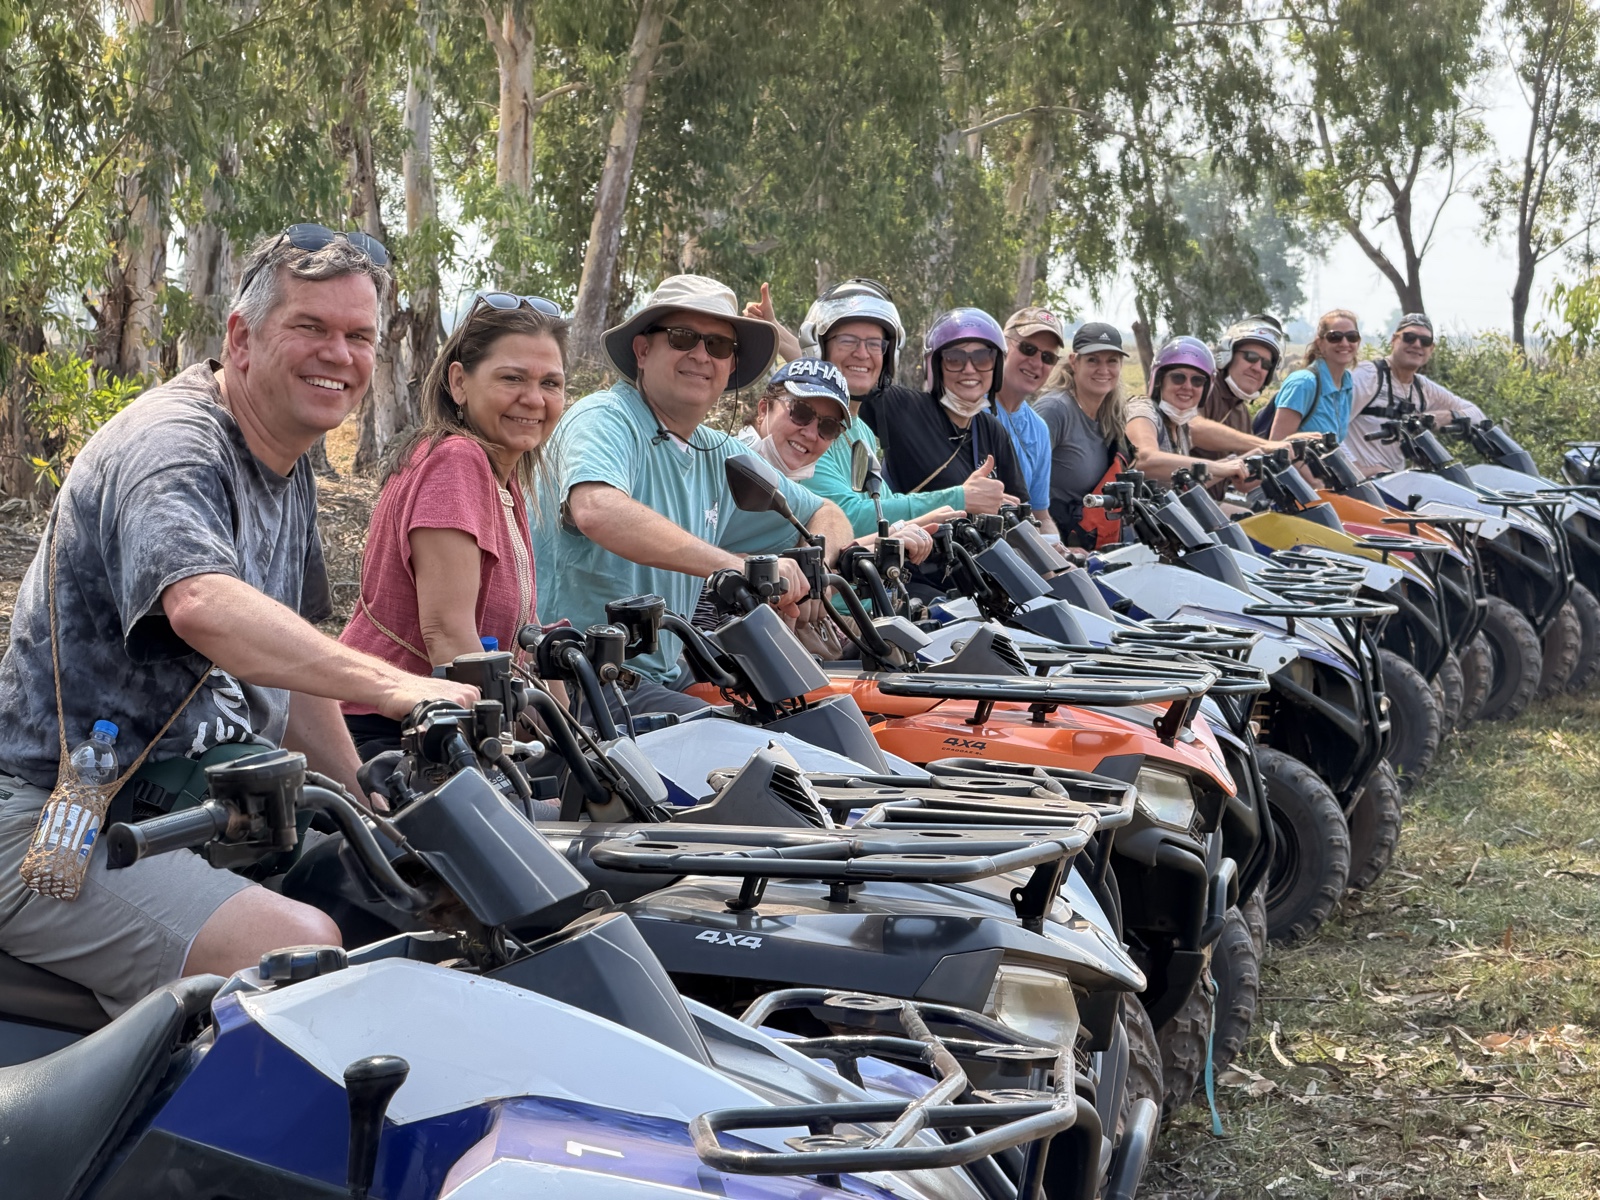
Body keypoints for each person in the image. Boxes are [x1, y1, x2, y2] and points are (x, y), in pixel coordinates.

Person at [0, 226, 478, 1014]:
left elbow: (292, 668)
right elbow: (201, 604)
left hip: (185, 803)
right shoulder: (173, 444)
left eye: (358, 336)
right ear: (241, 338)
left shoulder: (284, 461)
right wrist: (395, 687)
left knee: (400, 892)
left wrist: (369, 809)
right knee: (302, 953)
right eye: (310, 327)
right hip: (58, 821)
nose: (339, 354)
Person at [532, 274, 854, 712]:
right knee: (757, 745)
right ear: (642, 350)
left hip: (666, 673)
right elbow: (597, 509)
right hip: (581, 680)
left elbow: (825, 511)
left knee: (814, 710)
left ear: (731, 365)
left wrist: (816, 576)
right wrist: (736, 566)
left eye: (718, 345)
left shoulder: (718, 452)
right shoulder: (605, 418)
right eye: (682, 337)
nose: (701, 355)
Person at [339, 293, 567, 758]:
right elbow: (447, 637)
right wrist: (508, 750)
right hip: (397, 731)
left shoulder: (501, 476)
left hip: (446, 722)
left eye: (550, 383)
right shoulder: (457, 461)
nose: (534, 399)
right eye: (512, 378)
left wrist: (570, 738)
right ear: (459, 382)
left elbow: (523, 632)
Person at [778, 279, 1002, 536]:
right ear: (818, 347)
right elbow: (842, 517)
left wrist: (945, 510)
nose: (862, 354)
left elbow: (882, 503)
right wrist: (958, 498)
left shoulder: (861, 429)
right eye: (848, 341)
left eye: (874, 344)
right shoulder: (805, 424)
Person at [738, 358, 938, 564]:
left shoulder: (795, 489)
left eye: (828, 427)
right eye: (800, 412)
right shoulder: (727, 461)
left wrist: (895, 534)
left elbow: (819, 560)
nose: (811, 434)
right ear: (764, 409)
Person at [857, 307, 1028, 505]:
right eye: (954, 359)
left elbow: (1020, 506)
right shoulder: (904, 408)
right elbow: (852, 386)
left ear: (996, 368)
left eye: (982, 358)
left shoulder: (993, 431)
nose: (969, 369)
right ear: (936, 367)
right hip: (907, 524)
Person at [1345, 313, 1485, 476]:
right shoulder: (1369, 376)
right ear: (1394, 340)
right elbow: (1330, 426)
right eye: (1409, 337)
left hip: (1395, 482)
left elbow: (1477, 415)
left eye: (1425, 341)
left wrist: (1447, 416)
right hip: (1360, 485)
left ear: (1431, 349)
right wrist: (1355, 470)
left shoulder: (1422, 387)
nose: (1417, 344)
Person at [1032, 322, 1132, 547]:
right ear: (1074, 362)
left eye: (1112, 361)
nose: (1103, 370)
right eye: (1093, 360)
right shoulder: (1055, 410)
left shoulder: (1111, 415)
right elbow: (1019, 483)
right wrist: (1055, 547)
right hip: (1054, 543)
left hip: (1092, 541)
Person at [1125, 336, 1249, 484]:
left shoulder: (1181, 427)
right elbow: (1145, 459)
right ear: (1159, 380)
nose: (1188, 386)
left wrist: (1236, 463)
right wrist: (1217, 467)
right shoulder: (1142, 410)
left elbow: (1184, 487)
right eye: (1178, 378)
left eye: (1197, 380)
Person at [994, 308, 1065, 535]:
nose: (1036, 362)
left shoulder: (1039, 429)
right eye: (1028, 349)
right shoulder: (972, 411)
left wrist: (1057, 549)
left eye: (1048, 357)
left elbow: (1040, 515)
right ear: (1003, 346)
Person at [1264, 309, 1362, 440]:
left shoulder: (1346, 384)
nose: (1344, 343)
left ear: (1358, 342)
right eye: (1335, 337)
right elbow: (1276, 444)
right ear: (1320, 343)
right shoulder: (1303, 384)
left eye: (1352, 336)